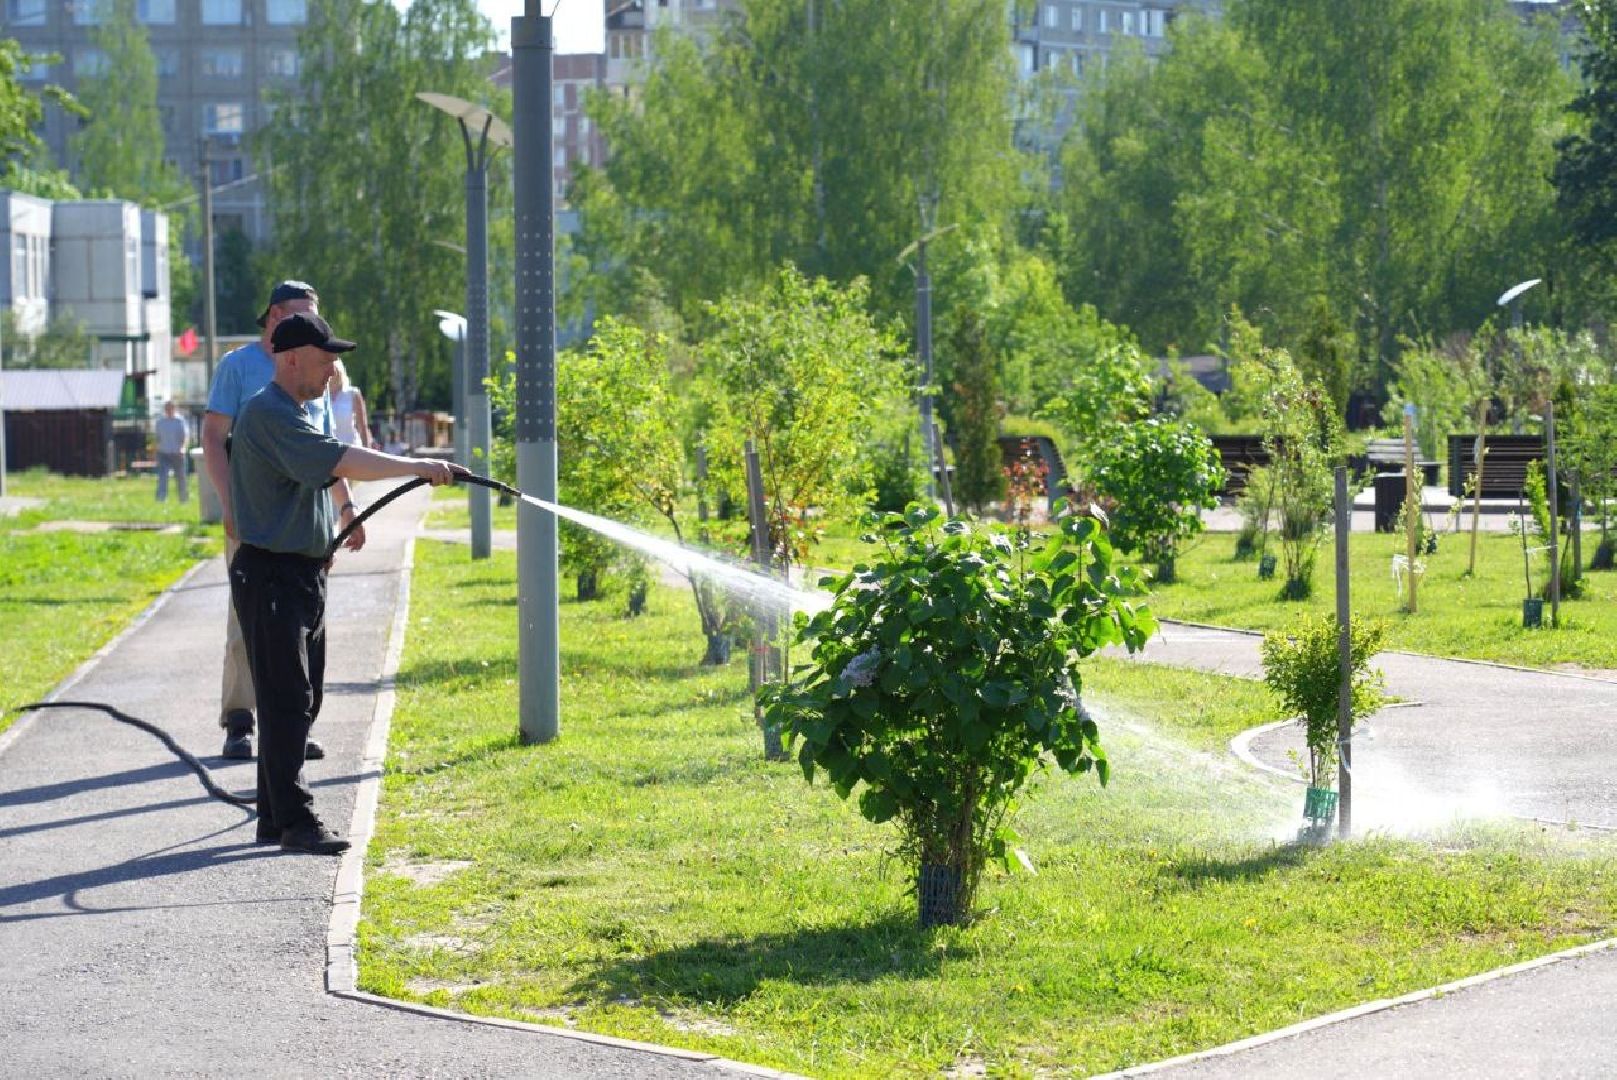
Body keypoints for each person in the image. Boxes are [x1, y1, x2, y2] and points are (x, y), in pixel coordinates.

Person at [230, 312, 463, 854]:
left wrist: (337, 520)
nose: (334, 367)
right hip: (273, 578)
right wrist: (415, 465)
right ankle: (297, 821)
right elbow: (338, 459)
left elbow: (326, 471)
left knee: (298, 699)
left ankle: (273, 814)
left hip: (298, 575)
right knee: (288, 699)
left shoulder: (298, 409)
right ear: (291, 359)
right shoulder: (269, 413)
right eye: (325, 356)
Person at [202, 280, 362, 761]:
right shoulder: (240, 368)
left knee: (307, 623)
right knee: (248, 621)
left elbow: (328, 450)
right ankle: (239, 720)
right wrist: (230, 503)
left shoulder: (318, 370)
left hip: (306, 520)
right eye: (300, 313)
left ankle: (294, 725)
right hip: (256, 517)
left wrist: (346, 508)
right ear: (274, 316)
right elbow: (213, 437)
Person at [327, 358, 376, 449]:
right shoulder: (321, 396)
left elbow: (362, 426)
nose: (332, 375)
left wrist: (367, 450)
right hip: (330, 450)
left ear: (340, 372)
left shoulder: (352, 393)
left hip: (352, 447)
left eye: (334, 371)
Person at [153, 401, 190, 503]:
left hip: (177, 453)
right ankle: (161, 499)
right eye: (167, 408)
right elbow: (157, 438)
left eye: (171, 408)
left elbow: (185, 437)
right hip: (163, 453)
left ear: (174, 408)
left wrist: (183, 448)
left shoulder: (180, 421)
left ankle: (183, 500)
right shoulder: (160, 422)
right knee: (162, 478)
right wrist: (156, 451)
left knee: (181, 478)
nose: (169, 410)